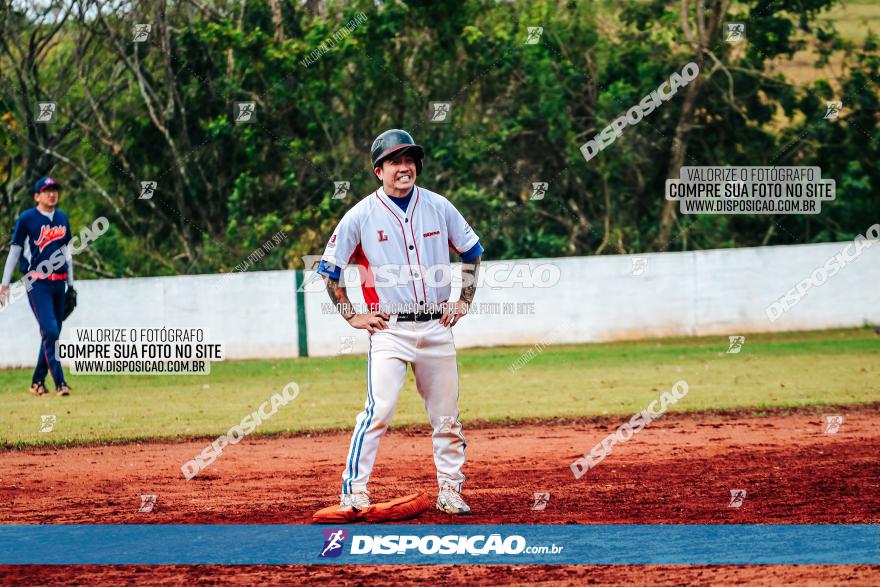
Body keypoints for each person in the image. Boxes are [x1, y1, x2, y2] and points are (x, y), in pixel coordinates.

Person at [318, 129, 484, 514]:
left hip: (437, 328)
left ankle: (450, 490)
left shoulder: (439, 206)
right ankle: (354, 492)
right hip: (389, 330)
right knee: (379, 410)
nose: (404, 167)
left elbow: (472, 253)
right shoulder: (360, 215)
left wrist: (463, 301)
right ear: (379, 170)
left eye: (409, 160)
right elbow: (330, 271)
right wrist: (351, 315)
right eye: (395, 161)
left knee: (446, 417)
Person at [0, 177, 74, 396]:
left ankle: (37, 382)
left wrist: (71, 284)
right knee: (50, 330)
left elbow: (67, 253)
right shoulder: (27, 218)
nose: (52, 194)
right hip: (37, 282)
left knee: (52, 333)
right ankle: (60, 383)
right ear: (36, 196)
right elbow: (15, 251)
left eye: (54, 190)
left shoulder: (62, 218)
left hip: (59, 282)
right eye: (47, 190)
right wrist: (4, 284)